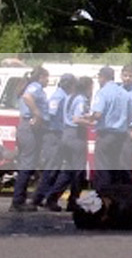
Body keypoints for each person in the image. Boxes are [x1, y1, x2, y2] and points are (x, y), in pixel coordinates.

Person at [43, 76, 93, 212]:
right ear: (87, 87)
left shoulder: (70, 97)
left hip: (66, 134)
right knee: (78, 172)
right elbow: (77, 118)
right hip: (76, 136)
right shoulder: (82, 99)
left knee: (67, 171)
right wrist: (92, 123)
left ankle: (52, 198)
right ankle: (73, 201)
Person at [32, 73, 75, 210]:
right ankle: (38, 198)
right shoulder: (59, 96)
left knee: (54, 169)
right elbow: (50, 113)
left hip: (58, 135)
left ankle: (44, 198)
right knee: (51, 168)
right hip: (54, 135)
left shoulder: (63, 95)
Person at [10, 66, 50, 212]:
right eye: (47, 77)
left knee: (26, 163)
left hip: (25, 127)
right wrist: (37, 113)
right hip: (30, 129)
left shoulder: (28, 86)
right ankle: (18, 201)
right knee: (28, 164)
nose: (48, 80)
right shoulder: (35, 87)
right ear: (41, 77)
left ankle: (18, 199)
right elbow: (28, 98)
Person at [87, 66, 129, 191]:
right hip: (121, 136)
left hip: (106, 135)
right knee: (114, 167)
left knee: (102, 167)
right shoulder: (124, 93)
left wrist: (89, 118)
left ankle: (102, 195)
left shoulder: (103, 92)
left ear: (103, 77)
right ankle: (114, 196)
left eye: (99, 77)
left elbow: (98, 114)